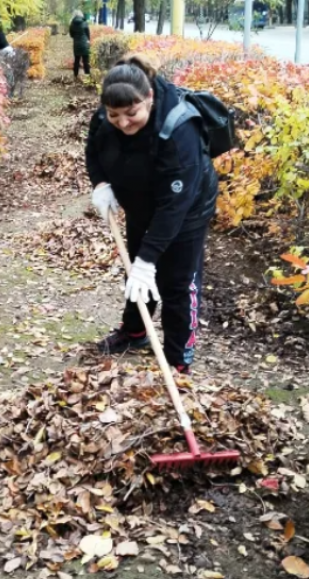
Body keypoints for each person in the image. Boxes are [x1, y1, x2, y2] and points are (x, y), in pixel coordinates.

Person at [85, 55, 218, 374]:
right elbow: (94, 148)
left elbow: (173, 210)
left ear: (149, 98)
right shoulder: (108, 113)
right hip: (140, 200)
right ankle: (135, 331)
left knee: (177, 280)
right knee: (136, 273)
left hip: (187, 208)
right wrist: (100, 183)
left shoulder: (179, 130)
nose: (123, 123)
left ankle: (178, 358)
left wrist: (149, 261)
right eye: (114, 115)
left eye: (132, 114)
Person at [69, 10, 91, 79]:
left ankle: (75, 76)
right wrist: (87, 40)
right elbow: (88, 33)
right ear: (81, 15)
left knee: (76, 61)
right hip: (84, 44)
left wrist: (76, 37)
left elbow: (71, 35)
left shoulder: (72, 24)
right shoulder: (84, 22)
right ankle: (87, 77)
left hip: (76, 44)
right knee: (86, 62)